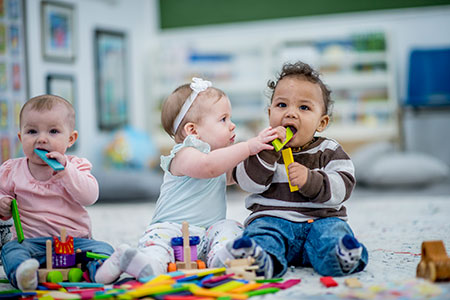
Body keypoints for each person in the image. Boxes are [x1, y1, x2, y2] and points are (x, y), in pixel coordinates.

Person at [95, 77, 279, 283]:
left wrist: (263, 155)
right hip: (171, 229)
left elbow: (238, 175)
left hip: (208, 233)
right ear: (193, 131)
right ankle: (140, 262)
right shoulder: (184, 154)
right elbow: (208, 167)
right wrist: (247, 147)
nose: (232, 125)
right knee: (158, 245)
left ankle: (223, 257)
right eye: (223, 119)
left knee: (230, 226)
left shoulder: (218, 157)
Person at [217, 61, 369, 278]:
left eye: (304, 108)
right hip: (272, 219)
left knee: (332, 234)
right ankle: (260, 259)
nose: (290, 114)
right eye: (281, 105)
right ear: (269, 113)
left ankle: (340, 256)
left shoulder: (329, 150)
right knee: (261, 233)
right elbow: (248, 183)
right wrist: (266, 155)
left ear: (321, 122)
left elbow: (343, 186)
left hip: (320, 220)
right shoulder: (260, 146)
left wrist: (311, 180)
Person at [0, 95, 114, 290]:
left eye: (53, 131)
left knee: (105, 249)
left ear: (70, 139)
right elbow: (2, 200)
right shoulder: (12, 170)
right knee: (10, 250)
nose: (41, 138)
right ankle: (24, 274)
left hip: (75, 242)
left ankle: (101, 272)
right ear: (21, 137)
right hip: (32, 243)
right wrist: (3, 204)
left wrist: (67, 172)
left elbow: (90, 197)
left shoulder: (76, 166)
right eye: (32, 131)